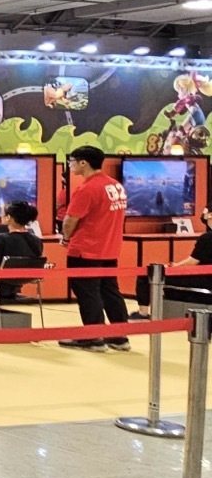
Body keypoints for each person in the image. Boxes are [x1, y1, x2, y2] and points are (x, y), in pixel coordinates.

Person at [61, 146, 132, 351]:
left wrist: (66, 238)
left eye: (72, 161)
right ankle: (120, 337)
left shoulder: (87, 189)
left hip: (85, 249)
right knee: (110, 292)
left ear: (83, 162)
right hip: (110, 248)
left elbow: (70, 220)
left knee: (88, 294)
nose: (70, 165)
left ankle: (93, 337)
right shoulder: (116, 186)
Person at [138, 205, 212, 312]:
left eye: (204, 211)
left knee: (146, 275)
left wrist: (174, 267)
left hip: (204, 280)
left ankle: (143, 312)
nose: (202, 213)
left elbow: (192, 262)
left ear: (210, 215)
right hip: (205, 278)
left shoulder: (206, 238)